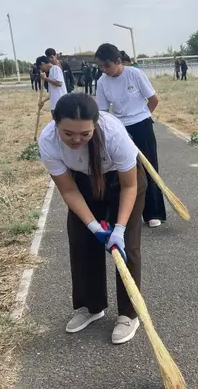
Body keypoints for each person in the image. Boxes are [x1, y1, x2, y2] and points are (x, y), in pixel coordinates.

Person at [37, 92, 147, 342]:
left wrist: (117, 229)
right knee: (82, 240)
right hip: (82, 182)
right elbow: (68, 189)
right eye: (68, 133)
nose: (76, 139)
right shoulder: (48, 141)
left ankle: (129, 314)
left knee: (126, 246)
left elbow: (129, 186)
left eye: (84, 134)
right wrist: (94, 226)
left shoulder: (114, 135)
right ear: (56, 123)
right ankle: (91, 306)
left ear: (95, 126)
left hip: (122, 182)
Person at [94, 43, 167, 228]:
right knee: (121, 170)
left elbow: (153, 99)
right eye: (101, 66)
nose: (104, 69)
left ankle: (153, 212)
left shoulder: (134, 74)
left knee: (149, 167)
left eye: (107, 65)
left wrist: (142, 117)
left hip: (141, 125)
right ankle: (122, 214)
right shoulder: (102, 81)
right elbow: (103, 111)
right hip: (119, 129)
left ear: (118, 61)